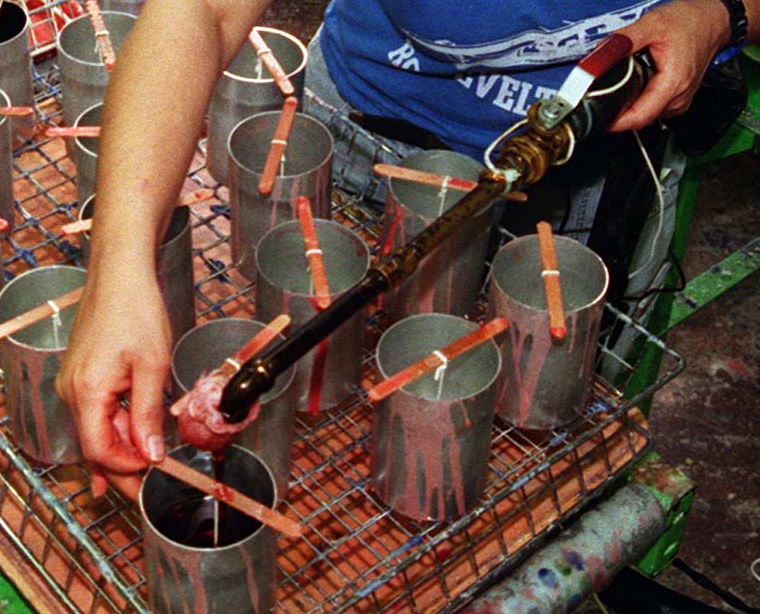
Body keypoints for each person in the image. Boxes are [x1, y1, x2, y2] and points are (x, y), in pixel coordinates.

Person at [55, 0, 759, 497]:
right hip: (359, 117)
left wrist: (721, 14)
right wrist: (118, 268)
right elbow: (201, 9)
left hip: (591, 169)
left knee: (536, 421)